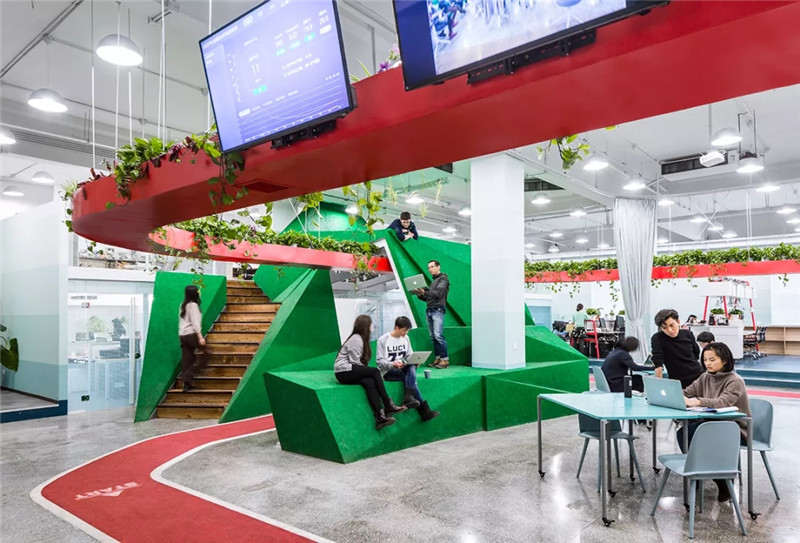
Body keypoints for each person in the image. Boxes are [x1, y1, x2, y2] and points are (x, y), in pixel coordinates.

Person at [679, 342, 752, 502]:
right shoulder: (705, 377)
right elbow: (688, 392)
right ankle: (697, 472)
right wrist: (675, 395)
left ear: (724, 360)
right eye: (705, 360)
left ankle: (722, 482)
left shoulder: (735, 380)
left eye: (712, 359)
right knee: (683, 432)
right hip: (711, 424)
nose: (708, 363)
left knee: (697, 433)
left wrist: (697, 401)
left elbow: (723, 402)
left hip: (733, 429)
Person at [333, 315, 407, 430]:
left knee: (369, 382)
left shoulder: (361, 339)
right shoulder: (356, 339)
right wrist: (370, 372)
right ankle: (388, 404)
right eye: (371, 324)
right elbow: (354, 362)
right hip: (343, 371)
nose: (372, 326)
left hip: (349, 371)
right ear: (365, 326)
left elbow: (358, 365)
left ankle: (380, 417)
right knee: (375, 371)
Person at [376, 316, 440, 422]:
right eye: (404, 330)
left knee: (411, 366)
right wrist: (393, 364)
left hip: (403, 368)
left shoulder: (406, 338)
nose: (406, 333)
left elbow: (409, 355)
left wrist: (416, 361)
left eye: (407, 330)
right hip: (389, 371)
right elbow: (379, 363)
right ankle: (422, 409)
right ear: (397, 328)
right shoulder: (383, 340)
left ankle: (409, 397)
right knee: (411, 378)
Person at [651, 308, 704, 388]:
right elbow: (658, 365)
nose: (670, 330)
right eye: (664, 328)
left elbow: (696, 353)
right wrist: (659, 387)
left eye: (672, 325)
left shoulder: (688, 334)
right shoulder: (657, 338)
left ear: (678, 322)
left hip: (698, 377)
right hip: (678, 381)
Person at [412, 260, 450, 369]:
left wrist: (425, 292)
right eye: (429, 268)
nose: (430, 269)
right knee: (433, 337)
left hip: (438, 309)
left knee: (438, 335)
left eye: (432, 267)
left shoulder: (443, 279)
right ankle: (438, 358)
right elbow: (428, 298)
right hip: (429, 309)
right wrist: (419, 294)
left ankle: (445, 360)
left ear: (438, 267)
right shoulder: (434, 281)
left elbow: (438, 294)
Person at [178, 285, 208, 391]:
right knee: (206, 353)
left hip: (182, 335)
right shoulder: (193, 305)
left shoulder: (183, 305)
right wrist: (200, 337)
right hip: (191, 334)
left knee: (187, 358)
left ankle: (186, 384)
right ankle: (188, 374)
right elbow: (195, 323)